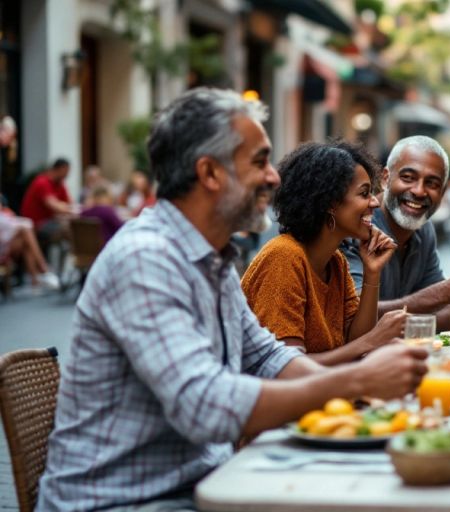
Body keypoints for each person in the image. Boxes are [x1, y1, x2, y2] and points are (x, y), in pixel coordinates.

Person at [37, 88, 428, 511]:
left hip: (205, 483)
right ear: (210, 173)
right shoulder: (146, 258)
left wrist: (360, 376)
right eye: (259, 161)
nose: (274, 177)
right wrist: (358, 377)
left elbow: (267, 358)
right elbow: (205, 405)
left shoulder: (212, 259)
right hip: (125, 501)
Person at [242, 140, 405, 365]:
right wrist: (372, 340)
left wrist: (372, 273)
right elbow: (288, 369)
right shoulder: (283, 257)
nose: (374, 202)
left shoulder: (336, 262)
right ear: (330, 202)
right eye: (364, 193)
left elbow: (354, 341)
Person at [341, 136, 450, 332]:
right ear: (385, 179)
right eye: (408, 177)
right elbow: (353, 316)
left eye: (432, 183)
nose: (418, 191)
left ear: (443, 193)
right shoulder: (357, 227)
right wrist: (442, 293)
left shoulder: (424, 229)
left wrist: (391, 323)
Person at [20, 157, 75, 246]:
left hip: (49, 221)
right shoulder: (42, 182)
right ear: (59, 169)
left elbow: (69, 204)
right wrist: (68, 208)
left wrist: (66, 207)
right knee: (70, 230)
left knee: (72, 228)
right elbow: (55, 206)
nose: (67, 175)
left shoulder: (59, 184)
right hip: (37, 225)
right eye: (66, 171)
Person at [0, 210, 60, 290]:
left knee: (26, 243)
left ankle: (37, 278)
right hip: (3, 249)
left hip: (6, 245)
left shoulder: (4, 214)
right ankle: (43, 270)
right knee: (26, 233)